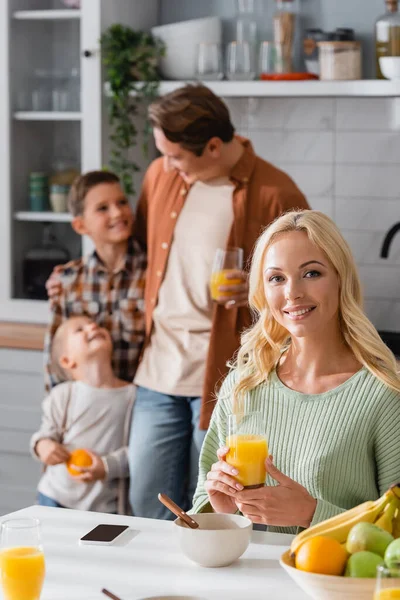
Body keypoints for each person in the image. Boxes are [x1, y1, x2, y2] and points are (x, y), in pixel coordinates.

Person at [129, 84, 309, 519]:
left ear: (212, 146)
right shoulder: (161, 177)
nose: (166, 164)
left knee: (216, 510)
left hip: (227, 377)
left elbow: (305, 282)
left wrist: (253, 286)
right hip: (158, 371)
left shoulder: (276, 192)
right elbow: (138, 250)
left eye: (175, 156)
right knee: (145, 503)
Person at [192, 210, 400, 533]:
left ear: (341, 278)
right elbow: (200, 510)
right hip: (247, 580)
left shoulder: (382, 394)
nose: (292, 293)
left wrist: (313, 513)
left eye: (312, 273)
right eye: (277, 278)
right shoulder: (243, 385)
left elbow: (395, 531)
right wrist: (223, 510)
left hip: (334, 581)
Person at [44, 170, 146, 391]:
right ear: (80, 226)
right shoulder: (68, 280)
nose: (118, 213)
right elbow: (55, 356)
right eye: (103, 208)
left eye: (122, 202)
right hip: (88, 405)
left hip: (138, 402)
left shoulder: (153, 272)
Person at [31, 316, 135, 514]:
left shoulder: (133, 396)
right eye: (80, 329)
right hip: (54, 497)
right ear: (67, 361)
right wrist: (43, 446)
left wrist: (107, 466)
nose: (93, 326)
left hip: (104, 508)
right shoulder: (63, 395)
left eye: (95, 324)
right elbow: (45, 434)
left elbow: (138, 452)